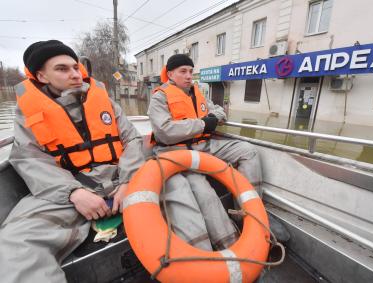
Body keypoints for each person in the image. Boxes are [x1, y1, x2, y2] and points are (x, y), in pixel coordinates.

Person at [0, 40, 145, 282]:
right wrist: (74, 193)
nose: (75, 74)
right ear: (41, 75)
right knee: (16, 244)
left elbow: (132, 140)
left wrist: (130, 181)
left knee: (181, 185)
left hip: (119, 177)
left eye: (75, 67)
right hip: (65, 188)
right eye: (62, 69)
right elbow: (28, 157)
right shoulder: (28, 110)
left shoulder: (104, 100)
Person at [148, 54, 263, 251]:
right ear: (170, 74)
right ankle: (229, 245)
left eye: (191, 71)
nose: (188, 76)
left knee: (248, 151)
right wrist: (203, 124)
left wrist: (212, 118)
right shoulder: (159, 97)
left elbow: (220, 111)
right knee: (205, 193)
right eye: (183, 71)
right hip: (178, 152)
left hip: (205, 146)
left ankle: (248, 215)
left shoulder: (197, 92)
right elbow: (165, 132)